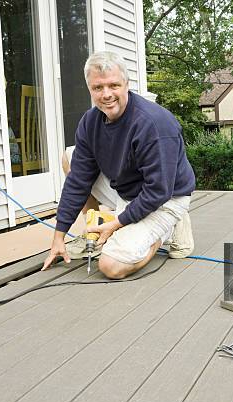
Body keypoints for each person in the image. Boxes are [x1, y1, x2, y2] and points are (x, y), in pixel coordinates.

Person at [41, 51, 196, 279]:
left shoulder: (153, 124)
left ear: (126, 84)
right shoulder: (90, 122)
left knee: (111, 266)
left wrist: (117, 223)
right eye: (97, 88)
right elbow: (78, 181)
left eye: (114, 85)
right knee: (70, 158)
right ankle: (95, 233)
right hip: (127, 188)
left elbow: (159, 190)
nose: (106, 95)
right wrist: (58, 236)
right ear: (90, 89)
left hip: (166, 197)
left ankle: (166, 230)